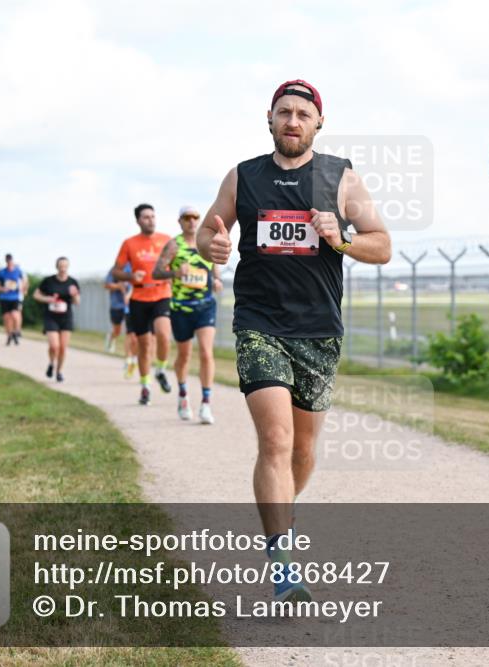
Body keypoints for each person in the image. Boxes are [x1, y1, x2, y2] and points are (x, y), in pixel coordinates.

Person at [197, 79, 391, 602]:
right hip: (259, 323)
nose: (292, 120)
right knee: (277, 440)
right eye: (284, 111)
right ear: (269, 118)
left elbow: (383, 246)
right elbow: (209, 233)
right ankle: (282, 559)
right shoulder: (244, 176)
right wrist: (211, 244)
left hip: (318, 331)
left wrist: (341, 238)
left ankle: (280, 514)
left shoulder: (340, 177)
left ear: (318, 122)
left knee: (303, 451)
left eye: (303, 113)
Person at [153, 205, 223, 425]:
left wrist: (218, 280)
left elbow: (214, 271)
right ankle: (183, 396)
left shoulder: (206, 244)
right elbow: (156, 272)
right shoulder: (174, 245)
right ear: (180, 221)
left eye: (195, 217)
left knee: (205, 352)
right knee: (184, 355)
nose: (192, 221)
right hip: (181, 308)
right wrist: (175, 272)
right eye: (187, 218)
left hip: (205, 307)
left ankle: (206, 403)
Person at [112, 204, 174, 405]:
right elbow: (116, 272)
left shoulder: (167, 240)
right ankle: (145, 386)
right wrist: (130, 275)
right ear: (138, 220)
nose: (151, 220)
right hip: (139, 297)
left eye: (153, 216)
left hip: (162, 293)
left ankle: (161, 369)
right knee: (144, 345)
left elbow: (177, 266)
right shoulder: (129, 243)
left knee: (164, 334)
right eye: (146, 217)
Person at [33, 257, 80, 382]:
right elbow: (36, 295)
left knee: (63, 347)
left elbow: (77, 302)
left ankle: (59, 371)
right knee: (54, 346)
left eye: (65, 266)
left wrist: (74, 295)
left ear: (68, 267)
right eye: (61, 266)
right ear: (57, 267)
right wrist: (47, 299)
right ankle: (51, 363)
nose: (63, 269)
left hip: (66, 317)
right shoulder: (48, 281)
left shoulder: (73, 282)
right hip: (51, 317)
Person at [0, 253, 27, 345]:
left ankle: (17, 331)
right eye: (7, 261)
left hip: (15, 297)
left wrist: (23, 288)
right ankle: (9, 335)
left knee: (15, 314)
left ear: (13, 261)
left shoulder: (18, 271)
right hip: (4, 298)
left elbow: (25, 282)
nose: (9, 262)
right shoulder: (2, 272)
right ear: (6, 261)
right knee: (6, 318)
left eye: (10, 260)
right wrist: (2, 289)